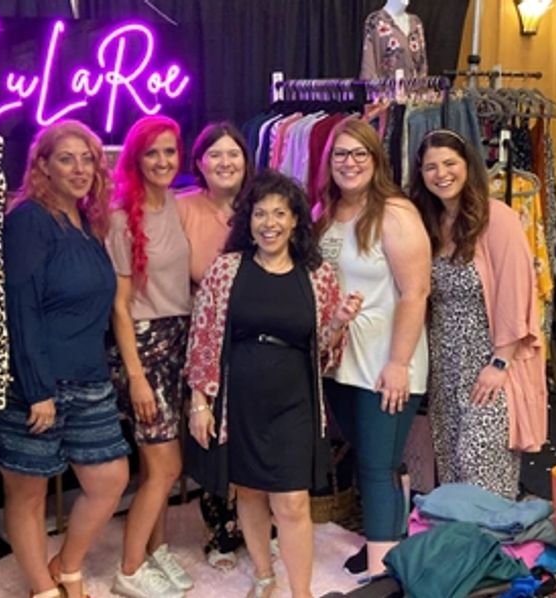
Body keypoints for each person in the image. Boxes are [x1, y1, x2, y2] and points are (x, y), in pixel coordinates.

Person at [186, 169, 363, 598]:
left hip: (294, 401)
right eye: (260, 213)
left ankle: (301, 592)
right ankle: (264, 576)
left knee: (292, 501)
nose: (270, 223)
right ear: (248, 221)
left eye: (280, 213)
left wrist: (339, 323)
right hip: (240, 400)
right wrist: (199, 402)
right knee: (248, 491)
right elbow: (203, 336)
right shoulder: (227, 270)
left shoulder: (317, 274)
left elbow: (324, 352)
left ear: (296, 219)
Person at [0, 120, 131, 598]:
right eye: (66, 159)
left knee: (110, 479)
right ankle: (43, 589)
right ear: (43, 166)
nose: (79, 169)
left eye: (87, 159)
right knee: (28, 492)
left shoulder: (87, 223)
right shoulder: (29, 220)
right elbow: (21, 306)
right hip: (37, 383)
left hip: (88, 378)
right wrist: (37, 389)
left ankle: (66, 565)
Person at [314, 116, 431, 576]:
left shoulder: (395, 213)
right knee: (373, 459)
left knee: (377, 466)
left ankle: (382, 573)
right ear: (329, 161)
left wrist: (398, 363)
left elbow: (415, 292)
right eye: (341, 154)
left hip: (385, 360)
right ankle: (391, 544)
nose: (350, 162)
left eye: (359, 153)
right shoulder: (325, 211)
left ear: (376, 159)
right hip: (340, 359)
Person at [409, 129, 547, 499]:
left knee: (480, 466)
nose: (441, 174)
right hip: (445, 367)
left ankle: (493, 536)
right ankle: (463, 538)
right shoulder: (430, 223)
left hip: (490, 364)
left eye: (449, 163)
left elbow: (518, 294)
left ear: (468, 165)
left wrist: (499, 363)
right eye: (431, 167)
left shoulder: (498, 218)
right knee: (453, 470)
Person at [106, 115, 192, 598]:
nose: (162, 161)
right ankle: (129, 568)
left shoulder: (178, 204)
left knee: (155, 465)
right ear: (135, 160)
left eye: (169, 151)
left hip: (179, 339)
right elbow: (119, 306)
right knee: (166, 467)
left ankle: (156, 549)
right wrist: (136, 376)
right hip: (143, 345)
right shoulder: (122, 218)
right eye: (152, 153)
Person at [176, 121, 254, 572]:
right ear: (200, 163)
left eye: (233, 154)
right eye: (216, 155)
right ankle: (220, 530)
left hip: (255, 337)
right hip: (204, 337)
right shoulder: (183, 208)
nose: (226, 163)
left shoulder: (261, 205)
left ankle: (258, 523)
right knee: (213, 436)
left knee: (252, 433)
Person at [359, 0, 428, 80]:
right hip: (386, 87)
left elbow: (422, 66)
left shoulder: (415, 22)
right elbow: (368, 68)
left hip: (415, 87)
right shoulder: (375, 21)